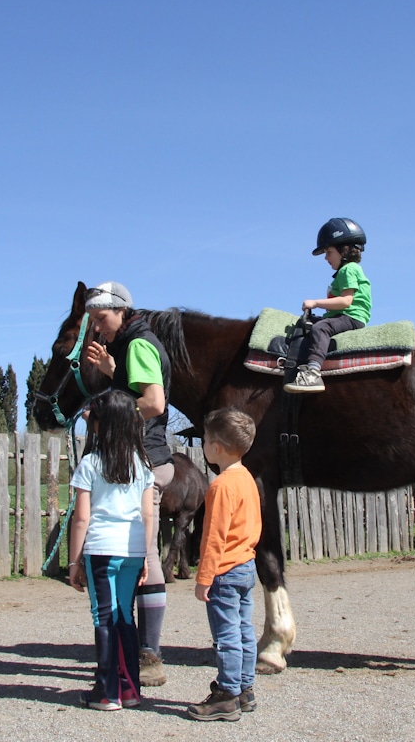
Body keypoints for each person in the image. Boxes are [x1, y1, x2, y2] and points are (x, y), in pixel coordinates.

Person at [84, 280, 174, 687]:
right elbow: (134, 389)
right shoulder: (131, 345)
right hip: (144, 456)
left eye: (101, 318)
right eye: (93, 320)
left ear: (121, 311)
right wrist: (112, 372)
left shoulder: (137, 344)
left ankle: (149, 656)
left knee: (145, 553)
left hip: (146, 459)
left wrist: (106, 416)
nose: (97, 327)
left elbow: (154, 403)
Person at [67, 390, 155, 711]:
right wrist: (144, 555)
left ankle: (106, 691)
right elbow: (148, 515)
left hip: (101, 549)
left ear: (100, 425)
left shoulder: (90, 463)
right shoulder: (142, 464)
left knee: (103, 617)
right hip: (133, 549)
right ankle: (130, 689)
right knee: (125, 617)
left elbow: (81, 518)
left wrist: (74, 562)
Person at [186, 408, 262, 722]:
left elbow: (214, 537)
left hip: (225, 571)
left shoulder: (220, 486)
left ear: (216, 448)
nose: (204, 444)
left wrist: (204, 577)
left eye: (205, 440)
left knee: (226, 635)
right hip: (246, 565)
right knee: (244, 630)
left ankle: (227, 695)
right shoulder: (247, 479)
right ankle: (245, 688)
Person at [284, 217, 372, 394]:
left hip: (351, 316)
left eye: (329, 252)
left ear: (344, 250)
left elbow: (346, 301)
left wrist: (315, 303)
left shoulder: (349, 269)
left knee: (320, 328)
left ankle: (313, 373)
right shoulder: (344, 272)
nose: (326, 258)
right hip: (342, 315)